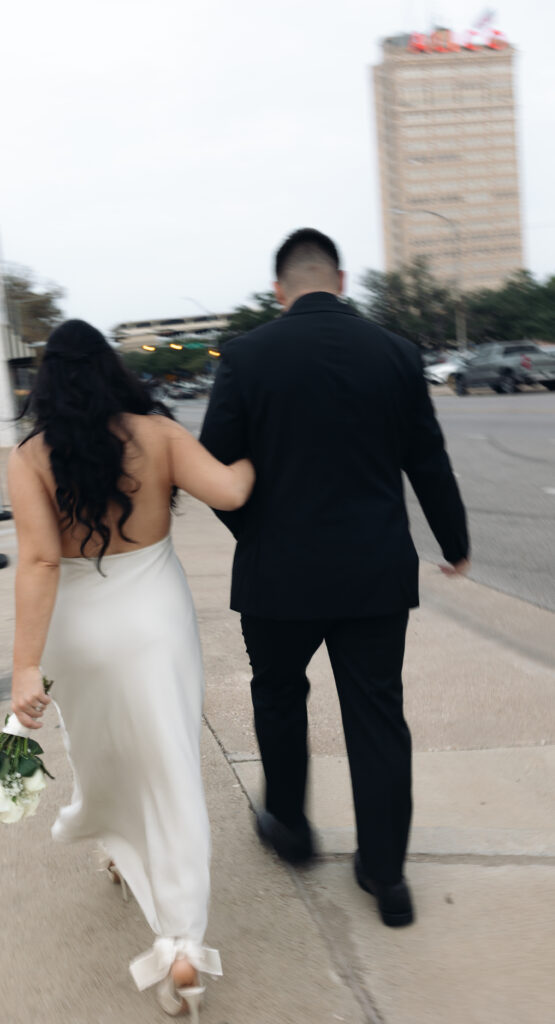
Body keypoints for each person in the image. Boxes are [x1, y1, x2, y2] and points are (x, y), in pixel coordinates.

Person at [200, 228, 469, 928]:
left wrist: (254, 532)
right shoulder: (395, 354)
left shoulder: (246, 357)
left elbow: (213, 470)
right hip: (373, 572)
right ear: (341, 280)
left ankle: (289, 826)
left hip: (276, 576)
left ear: (280, 290)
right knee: (377, 714)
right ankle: (386, 876)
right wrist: (454, 541)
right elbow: (427, 462)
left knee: (280, 697)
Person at [8, 320, 254, 1018]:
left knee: (102, 749)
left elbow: (38, 560)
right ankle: (180, 945)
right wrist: (257, 457)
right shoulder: (158, 435)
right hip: (154, 625)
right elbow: (230, 493)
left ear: (45, 381)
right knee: (168, 765)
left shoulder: (28, 456)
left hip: (77, 632)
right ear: (112, 370)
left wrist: (25, 667)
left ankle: (115, 846)